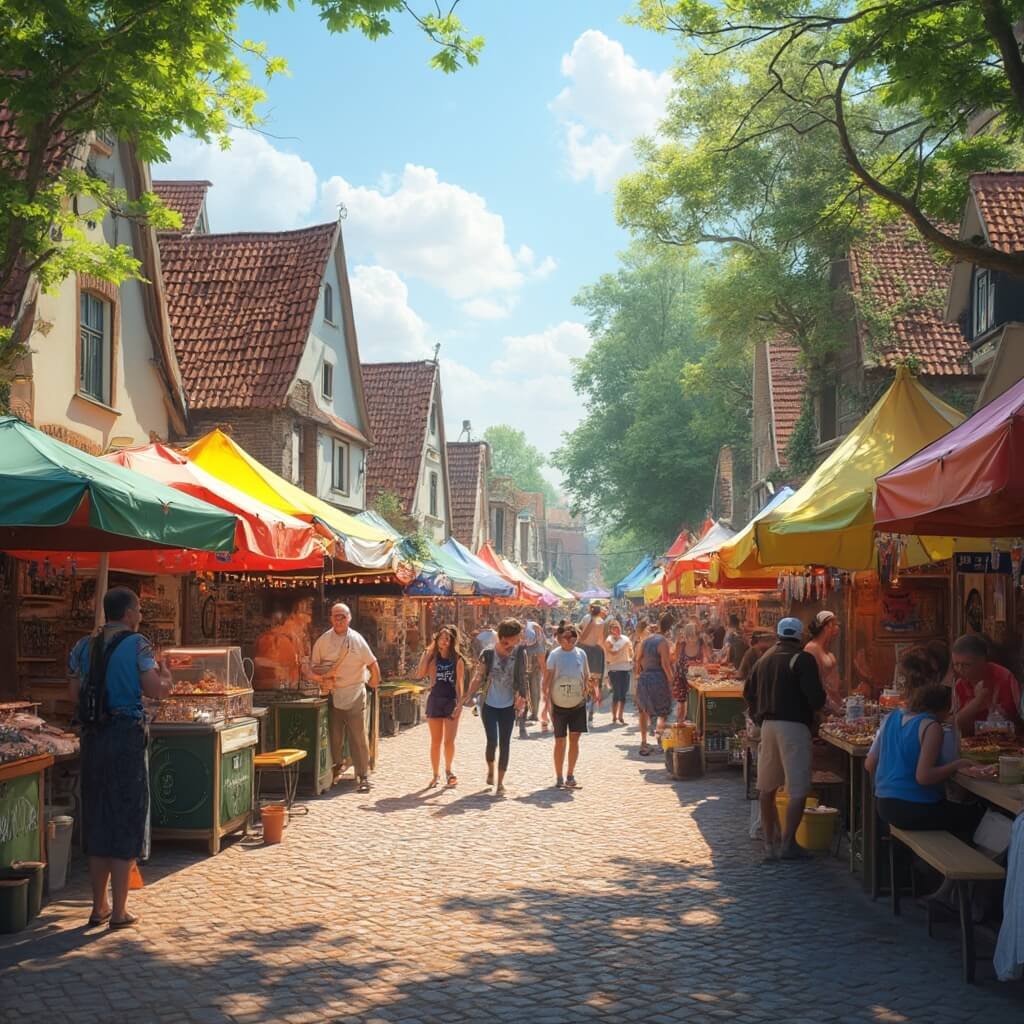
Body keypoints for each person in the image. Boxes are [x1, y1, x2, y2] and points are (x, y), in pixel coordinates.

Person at [68, 586, 171, 929]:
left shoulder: (84, 646)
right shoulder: (138, 645)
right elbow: (153, 688)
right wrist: (167, 679)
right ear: (128, 613)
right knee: (125, 814)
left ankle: (98, 905)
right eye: (138, 609)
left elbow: (74, 692)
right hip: (125, 736)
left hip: (93, 737)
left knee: (97, 815)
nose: (140, 615)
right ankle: (120, 910)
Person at [744, 617, 826, 861]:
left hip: (768, 726)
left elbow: (748, 692)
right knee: (798, 788)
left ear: (778, 635)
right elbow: (816, 698)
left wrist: (759, 716)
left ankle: (769, 844)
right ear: (800, 636)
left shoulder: (764, 659)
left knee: (767, 787)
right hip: (794, 727)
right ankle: (788, 843)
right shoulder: (802, 659)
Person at [866, 683, 981, 839]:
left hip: (884, 804)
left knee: (960, 814)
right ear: (944, 709)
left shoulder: (891, 718)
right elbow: (924, 777)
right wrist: (957, 765)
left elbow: (870, 764)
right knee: (979, 816)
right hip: (914, 807)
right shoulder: (931, 726)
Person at [308, 602, 381, 793]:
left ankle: (363, 774)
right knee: (334, 735)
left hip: (355, 691)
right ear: (331, 618)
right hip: (333, 693)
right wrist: (322, 677)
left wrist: (374, 680)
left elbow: (373, 663)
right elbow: (312, 667)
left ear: (349, 618)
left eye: (343, 616)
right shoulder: (323, 641)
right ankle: (335, 770)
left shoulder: (357, 640)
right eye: (336, 616)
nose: (339, 620)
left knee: (358, 735)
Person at [463, 619, 528, 797]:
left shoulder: (520, 653)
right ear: (506, 638)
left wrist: (523, 698)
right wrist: (468, 695)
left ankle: (500, 783)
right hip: (489, 704)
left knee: (505, 743)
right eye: (516, 637)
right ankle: (491, 768)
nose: (519, 639)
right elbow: (479, 676)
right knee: (492, 741)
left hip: (508, 706)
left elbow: (523, 677)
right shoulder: (488, 654)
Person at [544, 623, 598, 789]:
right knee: (560, 740)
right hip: (558, 702)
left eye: (573, 636)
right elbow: (547, 680)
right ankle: (559, 776)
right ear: (559, 639)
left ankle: (570, 774)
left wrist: (592, 688)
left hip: (577, 701)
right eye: (566, 637)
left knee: (575, 738)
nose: (570, 640)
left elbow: (586, 675)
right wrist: (546, 703)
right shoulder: (554, 655)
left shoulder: (581, 653)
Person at [415, 626, 467, 788]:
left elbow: (459, 685)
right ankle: (435, 774)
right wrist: (428, 652)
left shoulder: (457, 659)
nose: (444, 641)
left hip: (450, 701)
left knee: (449, 742)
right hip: (435, 699)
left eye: (447, 638)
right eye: (441, 637)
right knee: (435, 741)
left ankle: (449, 770)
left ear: (452, 642)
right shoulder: (432, 658)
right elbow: (420, 674)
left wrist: (460, 704)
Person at [951, 633, 1024, 738]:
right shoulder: (959, 684)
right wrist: (978, 701)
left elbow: (1018, 721)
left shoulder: (1004, 678)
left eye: (966, 665)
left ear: (982, 660)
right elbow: (957, 724)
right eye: (956, 664)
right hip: (973, 744)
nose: (960, 670)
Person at [635, 612, 675, 756]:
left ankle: (644, 742)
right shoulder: (663, 642)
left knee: (643, 712)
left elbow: (638, 659)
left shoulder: (646, 640)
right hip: (658, 679)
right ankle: (661, 742)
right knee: (662, 712)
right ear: (669, 629)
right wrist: (672, 681)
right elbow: (665, 664)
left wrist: (638, 675)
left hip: (644, 678)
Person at [804, 610, 842, 713]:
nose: (838, 628)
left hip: (835, 701)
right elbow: (815, 681)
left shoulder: (827, 649)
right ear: (827, 626)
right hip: (825, 705)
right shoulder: (811, 648)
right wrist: (830, 704)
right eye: (835, 624)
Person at [577, 601, 608, 724]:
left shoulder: (586, 618)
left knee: (582, 679)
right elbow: (600, 640)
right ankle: (591, 711)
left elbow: (581, 633)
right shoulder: (601, 622)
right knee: (595, 681)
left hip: (584, 649)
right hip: (596, 651)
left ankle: (582, 708)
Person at [518, 617, 548, 738]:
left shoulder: (536, 634)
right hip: (525, 665)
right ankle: (523, 713)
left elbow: (541, 657)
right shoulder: (524, 634)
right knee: (524, 690)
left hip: (535, 667)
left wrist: (545, 675)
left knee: (534, 689)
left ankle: (534, 713)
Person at [602, 619, 634, 725]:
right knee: (616, 693)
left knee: (623, 694)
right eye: (615, 628)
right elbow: (612, 652)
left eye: (619, 628)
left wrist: (631, 658)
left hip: (625, 669)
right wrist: (621, 646)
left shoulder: (625, 639)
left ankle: (621, 716)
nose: (617, 630)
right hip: (614, 669)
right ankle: (614, 717)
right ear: (611, 630)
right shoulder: (608, 640)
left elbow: (631, 651)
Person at [673, 622, 705, 723]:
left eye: (693, 635)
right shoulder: (681, 644)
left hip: (696, 679)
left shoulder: (701, 644)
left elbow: (708, 658)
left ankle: (690, 723)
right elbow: (676, 658)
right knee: (681, 702)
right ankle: (681, 723)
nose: (691, 638)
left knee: (692, 701)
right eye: (689, 635)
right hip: (682, 677)